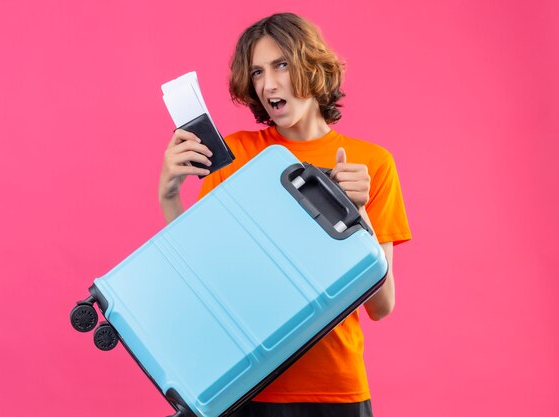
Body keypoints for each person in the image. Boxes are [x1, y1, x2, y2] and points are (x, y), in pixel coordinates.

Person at [158, 12, 411, 417]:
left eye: (281, 65)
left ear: (312, 65)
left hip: (335, 390)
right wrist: (169, 197)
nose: (268, 84)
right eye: (257, 72)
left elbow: (381, 306)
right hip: (243, 385)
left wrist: (358, 214)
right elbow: (198, 277)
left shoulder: (372, 163)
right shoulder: (236, 154)